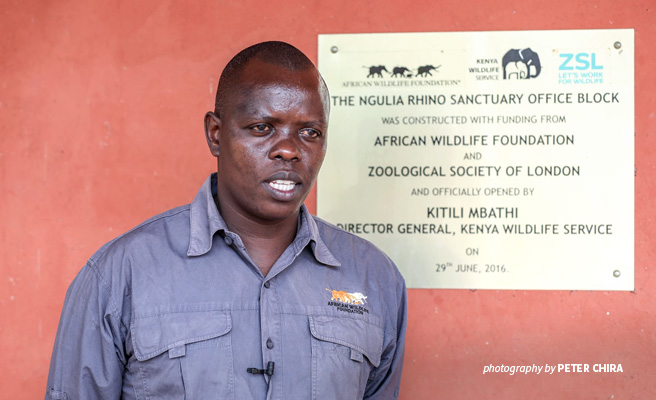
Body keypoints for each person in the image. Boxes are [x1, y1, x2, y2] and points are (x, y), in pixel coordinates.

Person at [46, 41, 407, 400]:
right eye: (263, 127)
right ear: (215, 134)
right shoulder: (120, 275)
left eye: (309, 132)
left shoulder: (375, 279)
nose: (289, 150)